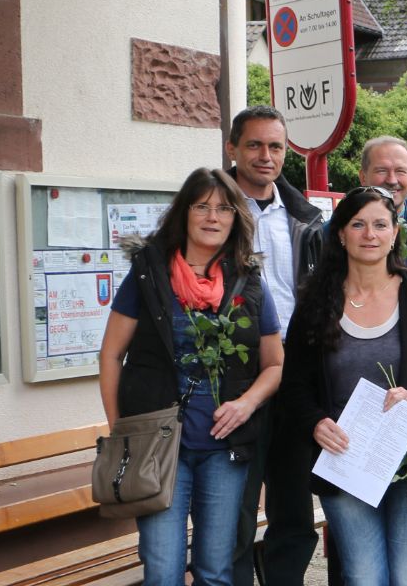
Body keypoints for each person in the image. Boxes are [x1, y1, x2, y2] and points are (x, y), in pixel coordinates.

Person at [98, 168, 285, 586]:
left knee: (214, 572)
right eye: (202, 206)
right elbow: (111, 355)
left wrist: (246, 404)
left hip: (224, 450)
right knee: (163, 571)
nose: (212, 217)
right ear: (184, 213)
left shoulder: (249, 280)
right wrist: (120, 433)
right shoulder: (149, 274)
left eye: (224, 208)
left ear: (236, 218)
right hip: (158, 448)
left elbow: (275, 364)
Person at [280, 187, 407, 586]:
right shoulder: (315, 303)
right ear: (340, 234)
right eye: (358, 224)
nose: (370, 234)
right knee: (364, 576)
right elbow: (293, 385)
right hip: (345, 460)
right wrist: (315, 422)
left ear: (395, 232)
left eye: (380, 224)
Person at [222, 106, 333, 586]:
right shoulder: (212, 210)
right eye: (254, 145)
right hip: (237, 376)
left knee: (293, 509)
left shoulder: (304, 216)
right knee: (236, 511)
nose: (265, 156)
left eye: (275, 146)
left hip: (293, 373)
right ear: (232, 148)